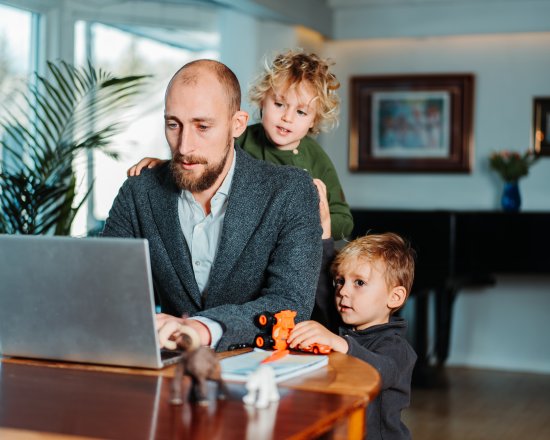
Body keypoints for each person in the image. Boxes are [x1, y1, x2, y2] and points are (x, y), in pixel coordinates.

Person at [102, 59, 323, 352]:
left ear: (237, 125)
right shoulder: (138, 192)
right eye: (173, 125)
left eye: (202, 126)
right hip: (166, 374)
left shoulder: (291, 191)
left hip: (260, 379)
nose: (184, 146)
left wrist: (203, 328)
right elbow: (106, 290)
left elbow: (289, 303)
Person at [127, 50, 353, 240]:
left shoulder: (316, 158)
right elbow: (207, 160)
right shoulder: (241, 138)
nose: (287, 117)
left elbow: (344, 220)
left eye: (301, 112)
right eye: (279, 104)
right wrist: (165, 165)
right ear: (262, 100)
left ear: (314, 119)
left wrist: (316, 220)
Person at [287, 232, 417, 440]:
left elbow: (379, 371)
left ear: (395, 297)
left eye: (359, 283)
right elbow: (323, 285)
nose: (343, 291)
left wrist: (338, 343)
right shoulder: (345, 328)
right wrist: (325, 235)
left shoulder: (396, 347)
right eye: (340, 281)